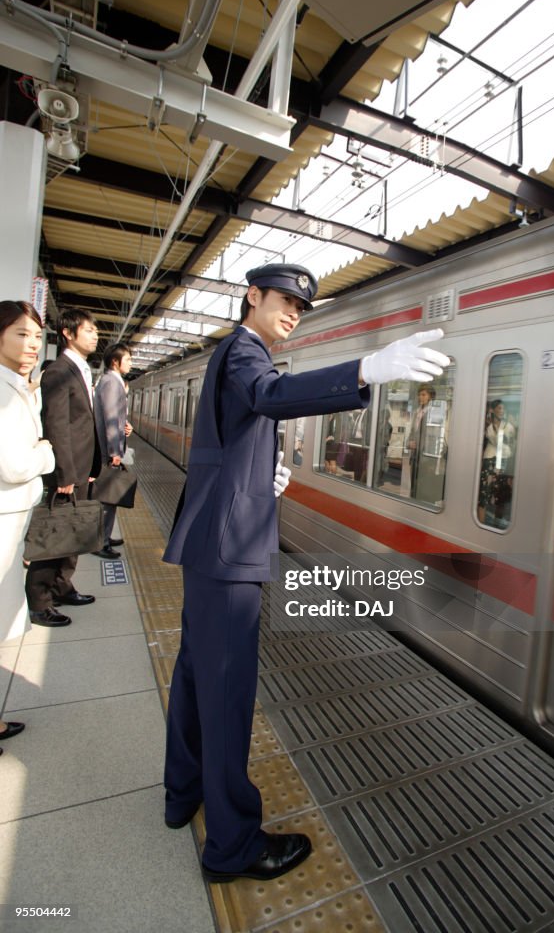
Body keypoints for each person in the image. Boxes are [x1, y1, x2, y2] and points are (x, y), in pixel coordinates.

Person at [162, 262, 448, 883]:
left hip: (215, 539)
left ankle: (182, 793)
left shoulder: (237, 354)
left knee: (195, 674)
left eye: (301, 306)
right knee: (227, 693)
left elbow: (231, 437)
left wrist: (258, 477)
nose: (293, 312)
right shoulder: (246, 351)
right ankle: (232, 848)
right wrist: (365, 369)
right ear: (252, 296)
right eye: (285, 300)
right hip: (229, 551)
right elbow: (270, 396)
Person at [0, 301, 55, 755]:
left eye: (37, 336)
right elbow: (15, 464)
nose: (32, 344)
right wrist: (46, 452)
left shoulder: (15, 385)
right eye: (21, 334)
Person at [25, 308, 101, 627]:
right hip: (68, 469)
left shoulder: (81, 369)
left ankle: (62, 586)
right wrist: (64, 474)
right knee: (55, 534)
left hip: (82, 465)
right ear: (68, 333)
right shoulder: (59, 371)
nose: (95, 335)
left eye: (95, 331)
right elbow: (56, 425)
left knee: (73, 532)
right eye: (89, 330)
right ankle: (39, 602)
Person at [93, 342, 133, 559]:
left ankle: (106, 535)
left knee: (110, 497)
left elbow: (115, 418)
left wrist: (125, 425)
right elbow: (109, 418)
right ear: (115, 362)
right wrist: (114, 452)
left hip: (109, 450)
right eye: (128, 359)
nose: (130, 363)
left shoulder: (112, 381)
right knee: (106, 499)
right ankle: (101, 542)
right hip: (108, 452)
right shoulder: (111, 382)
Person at [477, 398, 516, 526]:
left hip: (503, 461)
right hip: (489, 460)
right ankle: (481, 522)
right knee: (484, 492)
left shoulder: (508, 426)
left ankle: (495, 523)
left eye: (503, 408)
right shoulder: (488, 427)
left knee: (500, 494)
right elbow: (493, 441)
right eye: (499, 408)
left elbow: (511, 444)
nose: (502, 410)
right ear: (492, 410)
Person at [407, 384, 435, 498]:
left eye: (424, 395)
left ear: (430, 397)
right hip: (415, 454)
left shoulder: (432, 412)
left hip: (426, 456)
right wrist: (409, 442)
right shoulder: (417, 412)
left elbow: (431, 436)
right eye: (419, 395)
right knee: (413, 485)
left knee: (423, 486)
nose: (420, 397)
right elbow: (412, 431)